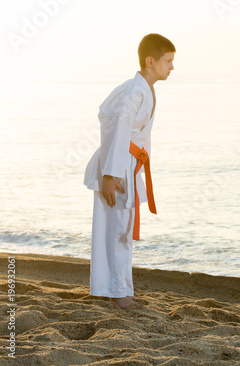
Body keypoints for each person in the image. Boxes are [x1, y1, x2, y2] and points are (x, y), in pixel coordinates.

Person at [84, 34, 175, 309]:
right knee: (118, 230)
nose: (172, 67)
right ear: (151, 61)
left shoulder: (141, 89)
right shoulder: (134, 91)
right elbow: (118, 130)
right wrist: (110, 175)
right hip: (118, 165)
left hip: (127, 164)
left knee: (119, 229)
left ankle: (118, 287)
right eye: (168, 61)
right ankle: (116, 292)